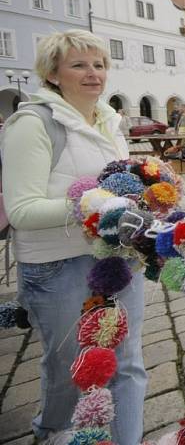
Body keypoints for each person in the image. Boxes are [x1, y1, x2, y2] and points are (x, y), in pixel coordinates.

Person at [0, 30, 144, 443]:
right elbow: (22, 211)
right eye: (79, 65)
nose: (93, 73)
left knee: (127, 361)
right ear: (53, 73)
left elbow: (119, 186)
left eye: (99, 65)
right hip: (57, 264)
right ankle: (53, 433)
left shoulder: (109, 120)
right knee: (69, 366)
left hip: (115, 258)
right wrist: (100, 207)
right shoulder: (32, 123)